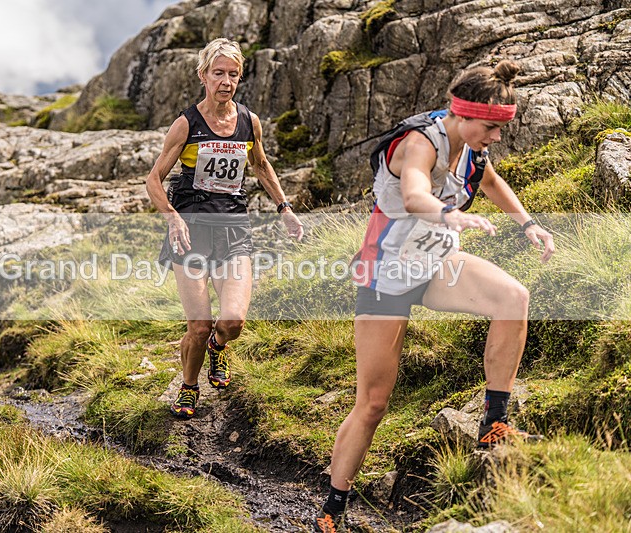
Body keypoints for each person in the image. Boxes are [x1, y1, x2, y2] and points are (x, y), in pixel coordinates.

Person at [312, 60, 556, 532]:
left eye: (501, 128)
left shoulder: (471, 144)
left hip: (434, 265)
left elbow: (486, 180)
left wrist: (529, 223)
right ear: (461, 113)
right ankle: (331, 510)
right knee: (374, 402)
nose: (497, 137)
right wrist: (450, 217)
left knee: (513, 298)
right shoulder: (421, 143)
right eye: (491, 127)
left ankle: (493, 422)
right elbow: (417, 193)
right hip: (385, 275)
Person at [146, 38, 304, 420]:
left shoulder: (249, 122)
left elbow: (261, 165)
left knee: (232, 321)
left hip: (234, 228)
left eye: (233, 75)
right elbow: (153, 179)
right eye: (218, 73)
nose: (226, 81)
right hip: (191, 231)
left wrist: (285, 208)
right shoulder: (186, 124)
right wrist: (171, 216)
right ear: (203, 75)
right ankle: (188, 386)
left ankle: (220, 347)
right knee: (198, 327)